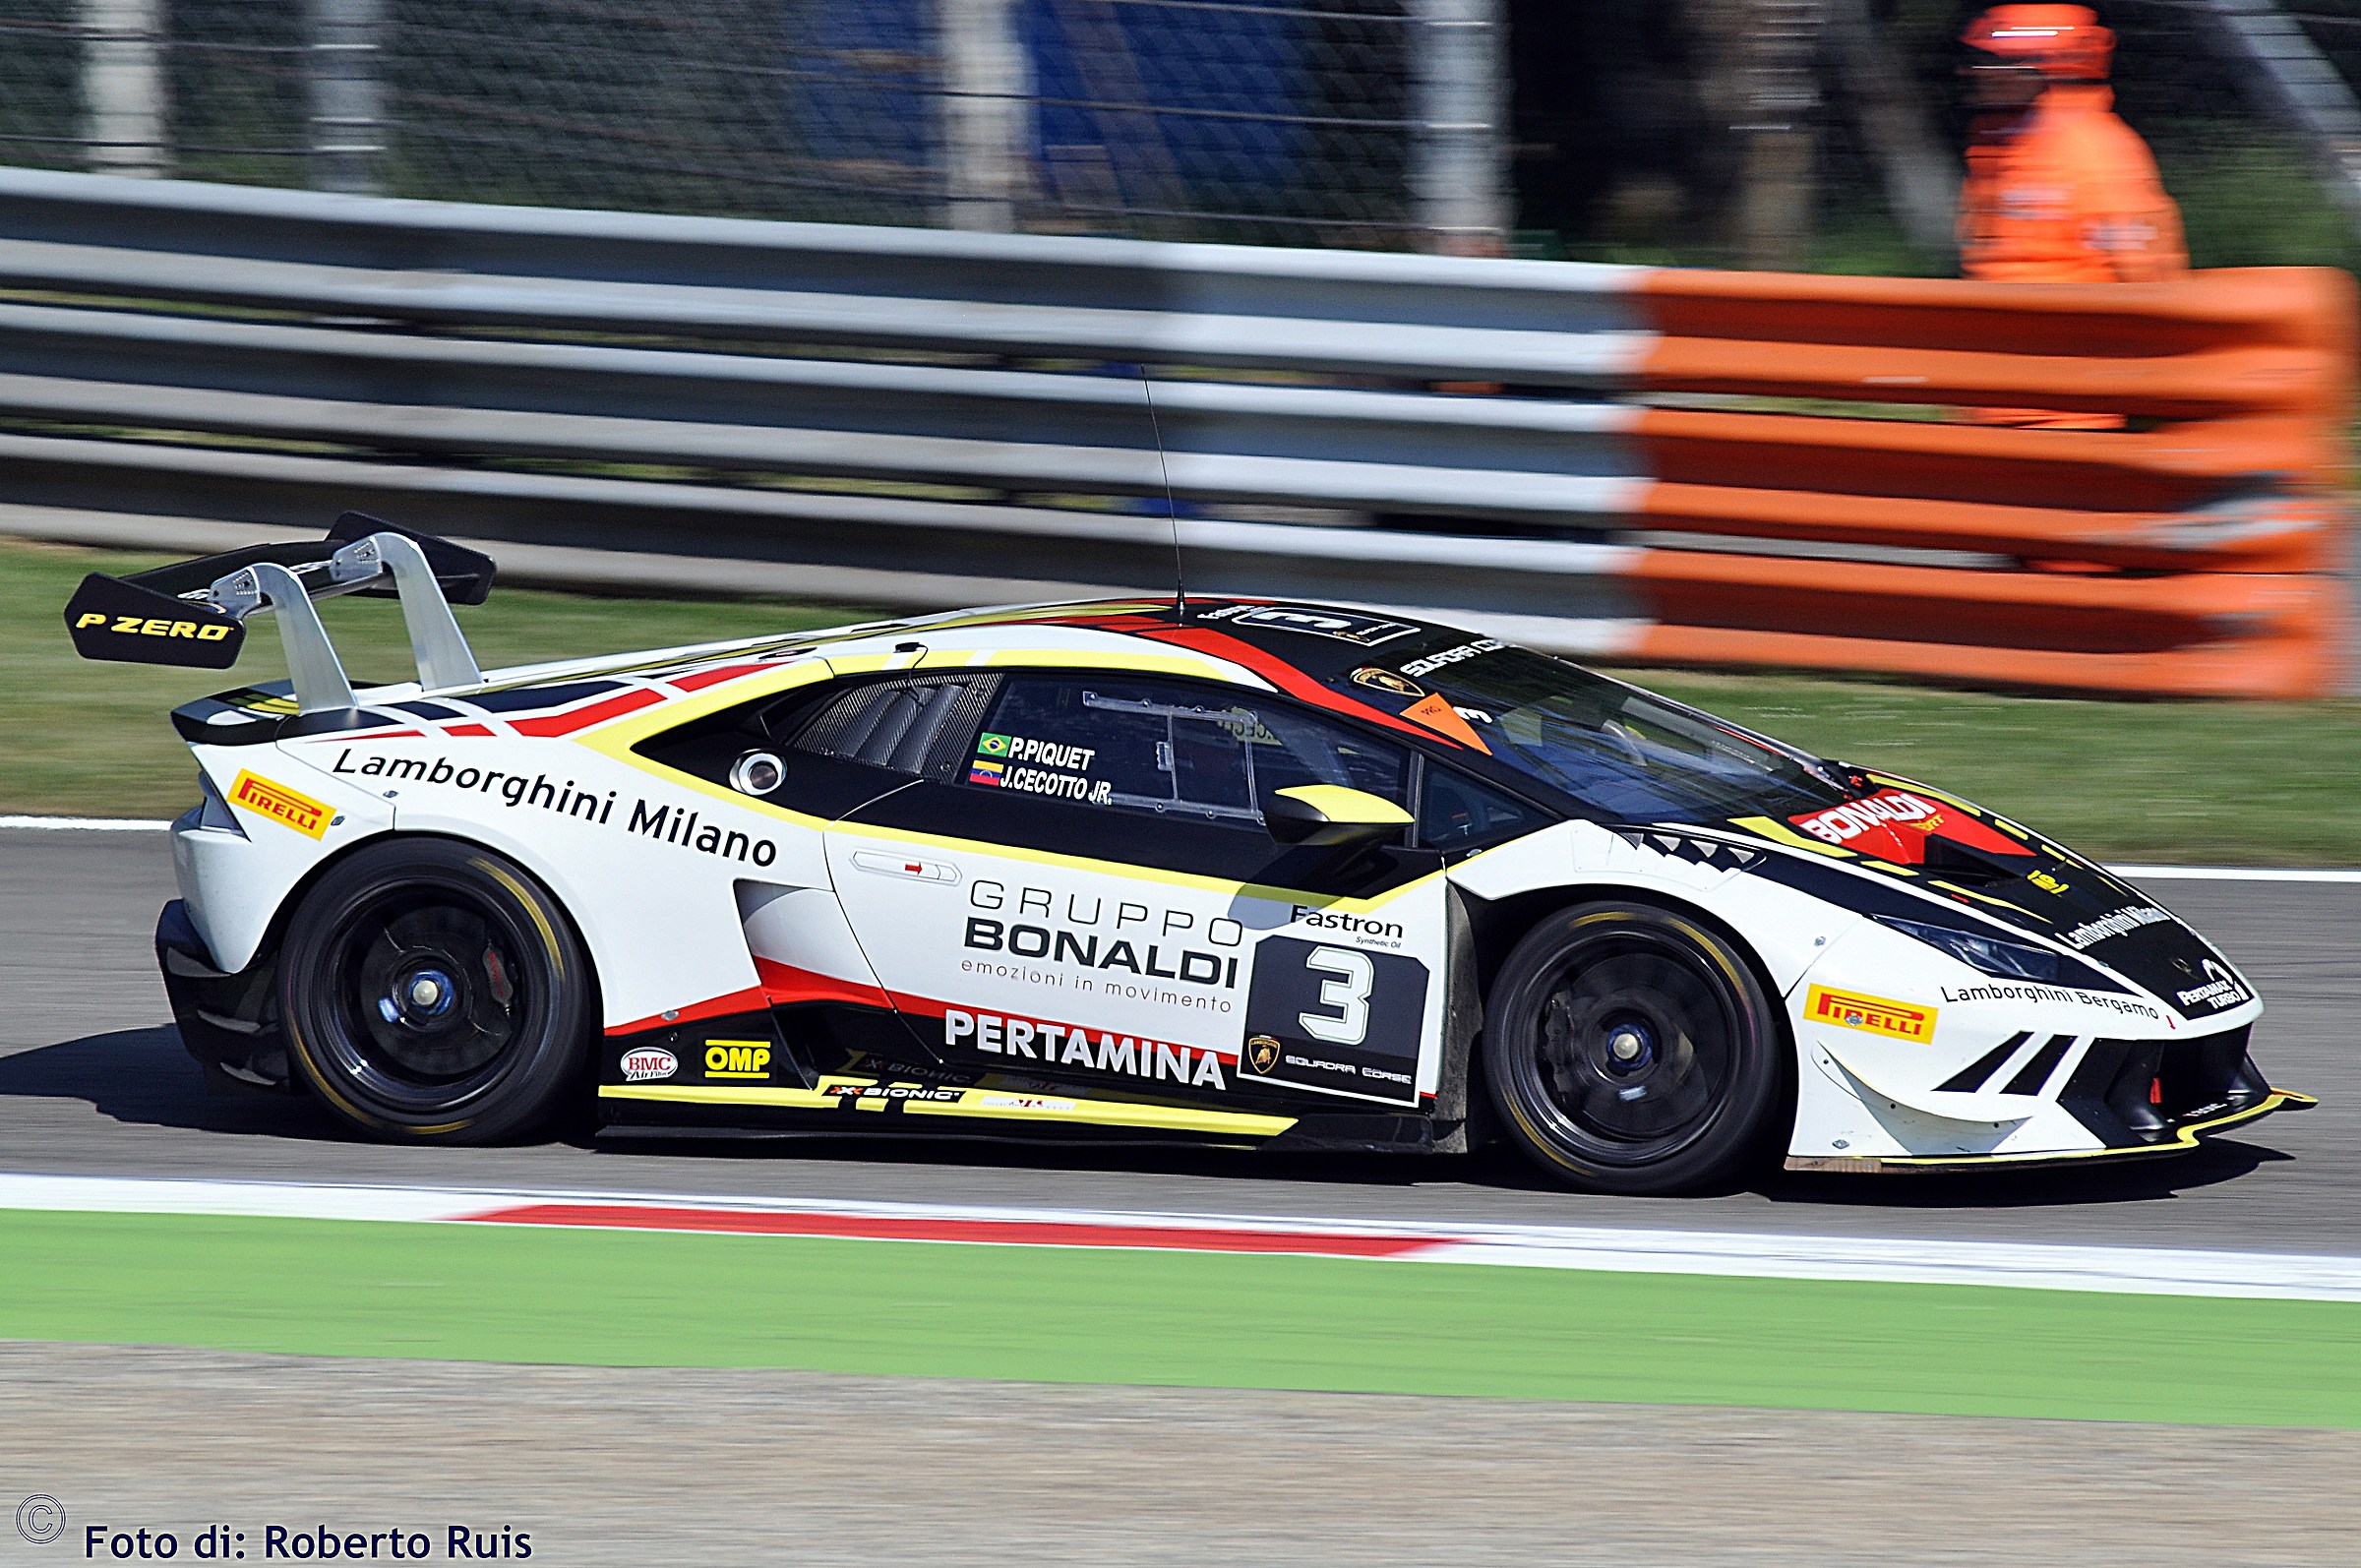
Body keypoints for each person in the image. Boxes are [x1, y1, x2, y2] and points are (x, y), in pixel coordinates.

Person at [1958, 5, 2187, 427]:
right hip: (2028, 409)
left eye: (2003, 62)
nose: (1981, 72)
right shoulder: (2000, 149)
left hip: (2058, 414)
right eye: (1983, 60)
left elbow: (2146, 276)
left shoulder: (2090, 150)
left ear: (2050, 67)